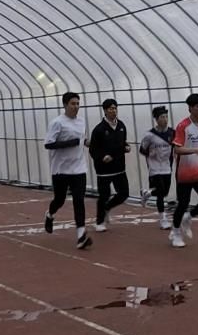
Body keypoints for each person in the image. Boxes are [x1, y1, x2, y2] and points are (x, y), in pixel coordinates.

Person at [43, 92, 92, 250]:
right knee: (60, 200)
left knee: (79, 200)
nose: (76, 107)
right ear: (65, 105)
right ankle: (50, 215)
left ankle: (81, 235)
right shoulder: (57, 123)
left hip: (79, 168)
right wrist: (71, 142)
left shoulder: (81, 121)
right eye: (73, 104)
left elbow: (81, 139)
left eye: (78, 103)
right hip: (61, 169)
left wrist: (87, 142)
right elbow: (48, 144)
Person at [169, 93, 198, 248]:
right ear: (190, 108)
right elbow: (177, 149)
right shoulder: (183, 126)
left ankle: (188, 217)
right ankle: (176, 232)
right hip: (185, 172)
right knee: (183, 203)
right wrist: (196, 150)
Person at [89, 99, 131, 232]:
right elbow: (93, 150)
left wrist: (126, 147)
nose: (113, 111)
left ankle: (107, 207)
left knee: (124, 193)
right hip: (104, 170)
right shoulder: (99, 129)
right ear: (105, 111)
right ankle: (99, 222)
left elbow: (123, 143)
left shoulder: (121, 125)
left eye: (115, 108)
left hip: (119, 167)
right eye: (111, 108)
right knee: (104, 195)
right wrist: (102, 157)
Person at [139, 106, 175, 230]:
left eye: (166, 117)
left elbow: (176, 146)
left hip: (167, 166)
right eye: (162, 117)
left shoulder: (172, 132)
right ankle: (163, 220)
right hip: (154, 167)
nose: (165, 119)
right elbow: (142, 150)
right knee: (160, 193)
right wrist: (150, 153)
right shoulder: (149, 135)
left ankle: (147, 193)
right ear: (156, 119)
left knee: (164, 192)